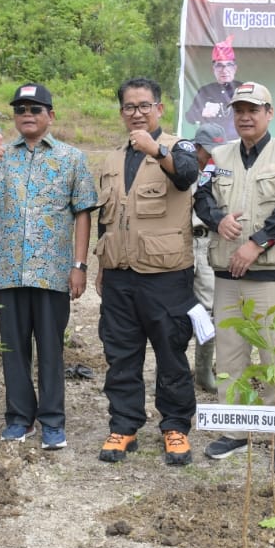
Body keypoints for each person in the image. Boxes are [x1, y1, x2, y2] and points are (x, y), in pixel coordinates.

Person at [0, 82, 96, 449]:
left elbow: (83, 213)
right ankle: (19, 417)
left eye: (35, 109)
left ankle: (53, 420)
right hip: (7, 270)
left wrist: (79, 265)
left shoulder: (72, 158)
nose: (27, 114)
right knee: (13, 348)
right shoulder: (0, 155)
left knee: (52, 349)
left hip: (52, 273)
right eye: (21, 109)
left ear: (50, 116)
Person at [194, 81, 275, 474]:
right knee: (230, 357)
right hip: (227, 273)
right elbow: (202, 196)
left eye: (253, 110)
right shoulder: (219, 154)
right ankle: (234, 431)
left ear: (269, 113)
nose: (245, 116)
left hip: (270, 275)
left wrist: (256, 243)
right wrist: (217, 219)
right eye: (239, 110)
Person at [94, 78, 200, 466]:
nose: (136, 113)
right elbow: (109, 218)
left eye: (144, 105)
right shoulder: (111, 159)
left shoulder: (179, 145)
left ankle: (175, 426)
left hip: (166, 274)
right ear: (121, 112)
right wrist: (102, 264)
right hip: (120, 273)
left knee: (171, 353)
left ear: (159, 108)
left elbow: (187, 175)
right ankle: (124, 425)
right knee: (120, 353)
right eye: (129, 107)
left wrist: (157, 150)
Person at [190, 123, 226, 392]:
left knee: (209, 310)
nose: (212, 156)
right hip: (180, 242)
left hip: (207, 242)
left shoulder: (220, 173)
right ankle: (169, 374)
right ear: (196, 148)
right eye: (208, 151)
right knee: (172, 311)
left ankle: (203, 373)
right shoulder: (181, 170)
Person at [185, 36, 243, 139]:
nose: (224, 70)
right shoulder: (205, 90)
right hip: (209, 143)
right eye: (219, 65)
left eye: (228, 65)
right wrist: (202, 112)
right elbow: (189, 117)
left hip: (236, 144)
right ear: (213, 69)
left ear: (235, 68)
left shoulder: (243, 89)